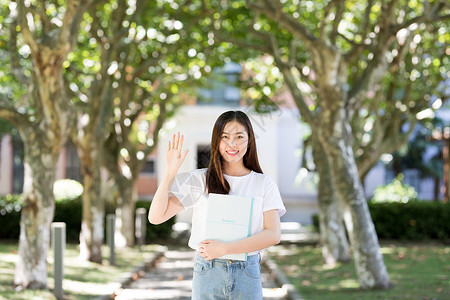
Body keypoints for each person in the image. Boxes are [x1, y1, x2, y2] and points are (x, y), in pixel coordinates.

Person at [148, 110, 286, 300]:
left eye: (239, 137)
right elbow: (156, 217)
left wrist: (225, 249)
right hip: (208, 272)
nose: (232, 144)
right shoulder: (200, 180)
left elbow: (273, 234)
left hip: (247, 272)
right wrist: (170, 173)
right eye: (225, 137)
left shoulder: (263, 184)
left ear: (249, 140)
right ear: (216, 141)